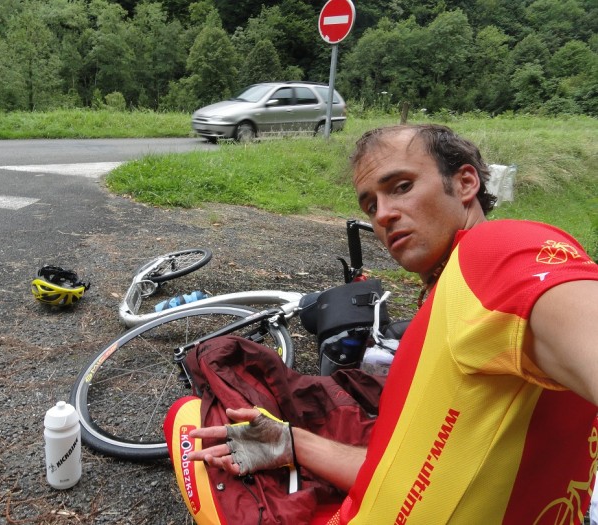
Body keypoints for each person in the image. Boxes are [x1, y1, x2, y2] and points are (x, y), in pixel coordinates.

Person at [168, 124, 598, 524]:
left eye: (402, 187)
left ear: (466, 183)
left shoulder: (494, 252)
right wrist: (292, 444)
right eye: (371, 204)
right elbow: (403, 473)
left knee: (186, 417)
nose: (384, 215)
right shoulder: (447, 294)